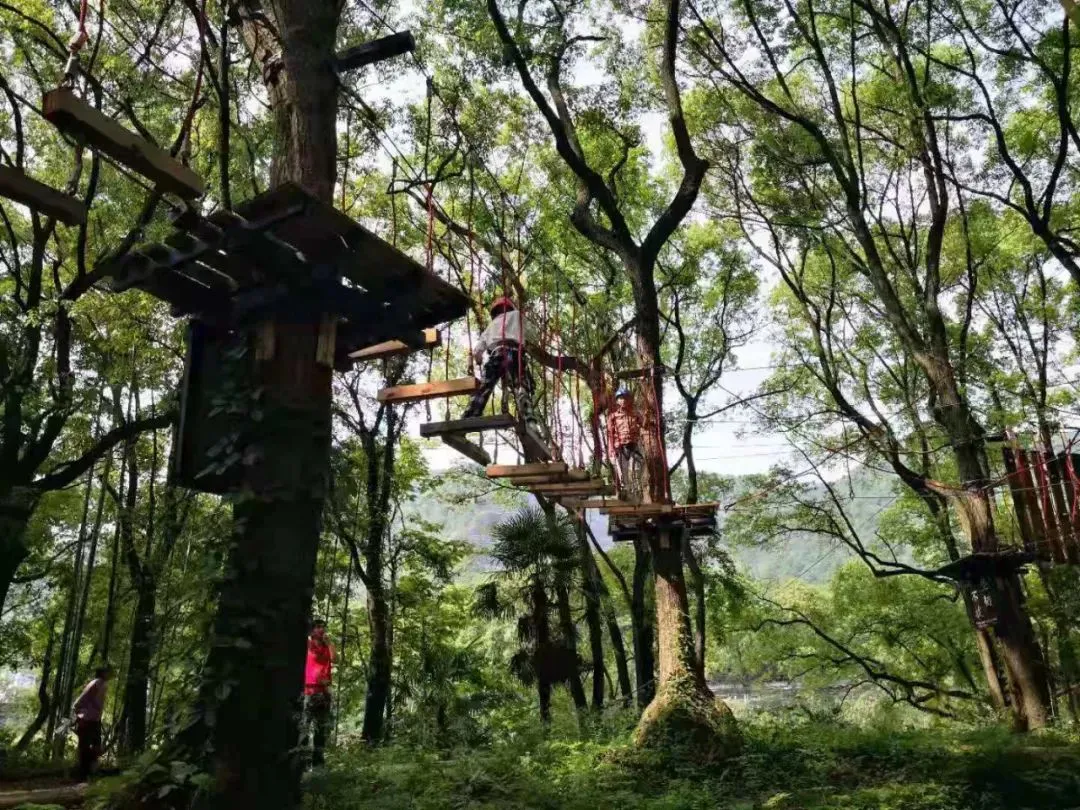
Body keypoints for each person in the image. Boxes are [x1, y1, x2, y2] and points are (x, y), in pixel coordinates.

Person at [463, 297, 550, 444]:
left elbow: (478, 350)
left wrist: (474, 362)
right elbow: (533, 335)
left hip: (497, 353)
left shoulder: (491, 325)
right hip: (516, 354)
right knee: (521, 387)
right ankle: (531, 423)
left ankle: (470, 416)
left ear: (495, 312)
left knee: (485, 386)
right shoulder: (517, 316)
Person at [302, 619, 335, 767]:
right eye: (318, 627)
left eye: (323, 627)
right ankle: (301, 761)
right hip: (308, 691)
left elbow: (336, 659)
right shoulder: (307, 645)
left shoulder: (326, 646)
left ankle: (318, 763)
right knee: (304, 727)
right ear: (312, 630)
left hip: (324, 693)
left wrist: (329, 643)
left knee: (321, 729)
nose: (321, 629)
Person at [72, 665, 112, 782]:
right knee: (86, 746)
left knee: (93, 746)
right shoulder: (98, 683)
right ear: (103, 673)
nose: (109, 674)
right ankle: (83, 775)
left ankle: (89, 773)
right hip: (87, 718)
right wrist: (77, 708)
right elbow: (83, 698)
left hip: (92, 718)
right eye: (107, 672)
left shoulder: (99, 683)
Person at [606, 388, 644, 499]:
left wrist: (647, 414)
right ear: (617, 401)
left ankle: (637, 489)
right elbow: (610, 434)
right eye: (621, 398)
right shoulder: (613, 417)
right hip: (620, 447)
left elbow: (644, 424)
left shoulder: (635, 414)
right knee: (623, 471)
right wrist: (611, 450)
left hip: (633, 445)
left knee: (639, 465)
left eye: (626, 398)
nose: (624, 401)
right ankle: (625, 492)